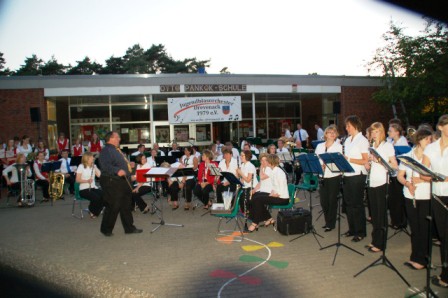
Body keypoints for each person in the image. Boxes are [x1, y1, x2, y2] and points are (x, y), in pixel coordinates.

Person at [397, 128, 433, 270]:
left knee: (424, 228)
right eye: (427, 139)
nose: (429, 142)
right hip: (409, 195)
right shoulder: (408, 156)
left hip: (425, 196)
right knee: (415, 228)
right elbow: (400, 175)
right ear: (419, 140)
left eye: (430, 139)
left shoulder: (431, 156)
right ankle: (415, 256)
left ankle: (423, 259)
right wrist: (407, 183)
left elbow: (436, 177)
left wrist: (422, 181)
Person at [99, 131, 142, 236]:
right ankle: (106, 229)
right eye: (117, 137)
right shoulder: (106, 150)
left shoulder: (117, 150)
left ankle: (129, 228)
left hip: (123, 182)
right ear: (111, 138)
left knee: (126, 205)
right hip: (112, 181)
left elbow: (118, 163)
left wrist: (128, 165)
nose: (119, 139)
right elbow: (105, 165)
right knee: (113, 205)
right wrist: (117, 170)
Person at [422, 115, 448, 288]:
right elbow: (424, 171)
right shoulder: (431, 148)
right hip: (438, 194)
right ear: (440, 127)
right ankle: (446, 274)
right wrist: (432, 176)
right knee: (444, 235)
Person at [365, 122, 398, 253]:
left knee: (381, 213)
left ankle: (381, 243)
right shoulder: (372, 146)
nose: (374, 134)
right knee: (374, 214)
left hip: (382, 182)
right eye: (372, 132)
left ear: (382, 132)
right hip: (372, 181)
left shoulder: (387, 146)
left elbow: (394, 165)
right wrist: (368, 163)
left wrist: (379, 161)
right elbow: (371, 164)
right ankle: (375, 240)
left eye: (376, 131)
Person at [342, 115, 369, 242]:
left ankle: (361, 231)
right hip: (347, 174)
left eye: (348, 125)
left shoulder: (362, 140)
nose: (346, 128)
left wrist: (349, 159)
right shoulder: (348, 140)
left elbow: (365, 160)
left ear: (355, 126)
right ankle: (352, 229)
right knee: (348, 204)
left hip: (358, 175)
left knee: (357, 204)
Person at [248, 154, 289, 232]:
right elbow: (274, 187)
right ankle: (269, 219)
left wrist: (274, 194)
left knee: (258, 200)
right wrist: (272, 193)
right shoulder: (274, 171)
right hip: (277, 195)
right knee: (256, 198)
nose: (266, 162)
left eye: (267, 161)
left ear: (270, 163)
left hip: (282, 198)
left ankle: (255, 223)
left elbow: (281, 187)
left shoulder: (279, 172)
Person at [315, 125, 343, 232]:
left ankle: (331, 223)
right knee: (324, 201)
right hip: (322, 176)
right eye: (329, 132)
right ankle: (327, 221)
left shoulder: (338, 146)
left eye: (334, 132)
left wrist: (327, 164)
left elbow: (338, 160)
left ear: (336, 135)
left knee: (332, 200)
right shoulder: (320, 146)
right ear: (325, 134)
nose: (332, 134)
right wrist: (320, 165)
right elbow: (316, 158)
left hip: (333, 176)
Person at [387, 123, 411, 230]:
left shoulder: (403, 142)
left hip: (400, 173)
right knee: (392, 198)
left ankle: (401, 221)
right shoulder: (390, 141)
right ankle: (395, 220)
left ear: (397, 132)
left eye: (391, 131)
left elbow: (405, 156)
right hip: (392, 173)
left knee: (399, 198)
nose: (389, 132)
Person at [75, 152, 103, 218]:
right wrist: (86, 181)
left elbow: (99, 175)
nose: (93, 158)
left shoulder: (94, 166)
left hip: (93, 187)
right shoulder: (81, 166)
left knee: (104, 195)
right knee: (96, 198)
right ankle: (93, 211)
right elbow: (77, 180)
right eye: (91, 157)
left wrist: (95, 167)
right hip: (83, 189)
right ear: (87, 158)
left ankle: (94, 210)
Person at [236, 149, 259, 217]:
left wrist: (240, 173)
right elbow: (242, 179)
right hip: (245, 186)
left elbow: (248, 180)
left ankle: (247, 212)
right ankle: (244, 211)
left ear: (246, 156)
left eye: (242, 156)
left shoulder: (250, 166)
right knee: (236, 196)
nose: (240, 157)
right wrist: (238, 175)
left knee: (242, 198)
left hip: (252, 187)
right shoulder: (243, 165)